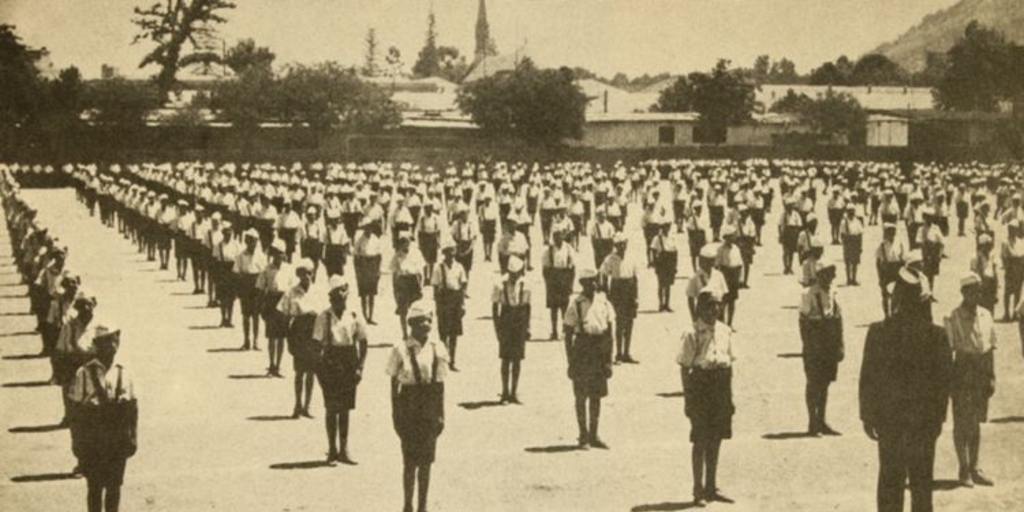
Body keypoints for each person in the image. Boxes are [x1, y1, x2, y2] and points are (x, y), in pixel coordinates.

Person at [860, 268, 953, 512]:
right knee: (922, 487)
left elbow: (868, 378)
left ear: (897, 299)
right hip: (923, 425)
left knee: (890, 485)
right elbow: (944, 385)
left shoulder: (878, 332)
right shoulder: (938, 336)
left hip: (890, 424)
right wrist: (937, 421)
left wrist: (868, 415)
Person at [387, 300, 449, 512]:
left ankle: (423, 505)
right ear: (412, 324)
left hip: (429, 406)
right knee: (409, 461)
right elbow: (393, 383)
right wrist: (395, 414)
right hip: (409, 405)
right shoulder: (401, 348)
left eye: (429, 320)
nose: (427, 325)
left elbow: (440, 384)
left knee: (426, 461)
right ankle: (408, 505)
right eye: (422, 321)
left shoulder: (437, 348)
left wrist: (441, 414)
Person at [68, 324, 137, 512]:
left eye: (116, 339)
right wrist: (77, 442)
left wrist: (133, 438)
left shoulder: (124, 371)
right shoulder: (83, 373)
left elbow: (132, 408)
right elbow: (75, 412)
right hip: (94, 438)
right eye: (108, 341)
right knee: (95, 487)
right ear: (97, 345)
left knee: (115, 487)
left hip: (117, 437)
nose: (114, 345)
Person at [678, 287, 736, 506]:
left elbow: (729, 365)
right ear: (700, 308)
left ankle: (712, 486)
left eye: (718, 305)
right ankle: (698, 490)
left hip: (720, 385)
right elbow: (685, 368)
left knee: (717, 438)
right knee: (700, 440)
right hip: (701, 385)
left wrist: (729, 397)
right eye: (710, 306)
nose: (715, 310)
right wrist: (688, 399)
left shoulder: (724, 330)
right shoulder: (692, 333)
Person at [943, 273, 997, 488]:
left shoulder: (985, 314)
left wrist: (992, 376)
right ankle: (963, 468)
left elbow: (991, 347)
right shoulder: (953, 316)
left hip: (981, 370)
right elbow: (949, 351)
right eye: (973, 290)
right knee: (961, 422)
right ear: (964, 292)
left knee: (976, 421)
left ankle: (975, 466)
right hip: (963, 370)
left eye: (979, 289)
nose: (978, 293)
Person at [313, 276, 369, 465]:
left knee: (345, 409)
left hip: (348, 361)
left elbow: (363, 341)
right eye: (337, 297)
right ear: (330, 298)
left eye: (344, 296)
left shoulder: (354, 315)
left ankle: (344, 449)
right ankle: (332, 450)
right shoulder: (324, 317)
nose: (341, 300)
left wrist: (360, 367)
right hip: (330, 361)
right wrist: (319, 369)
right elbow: (316, 344)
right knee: (331, 408)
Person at [564, 268, 616, 449]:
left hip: (599, 349)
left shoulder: (603, 302)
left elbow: (610, 332)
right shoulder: (575, 304)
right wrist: (570, 361)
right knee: (581, 395)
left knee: (596, 395)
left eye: (595, 280)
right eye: (589, 282)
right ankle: (583, 435)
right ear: (582, 284)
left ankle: (594, 434)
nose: (593, 284)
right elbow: (568, 333)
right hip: (582, 350)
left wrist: (609, 360)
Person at [799, 263, 844, 436]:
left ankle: (822, 420)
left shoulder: (833, 291)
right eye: (827, 274)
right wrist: (809, 346)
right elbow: (803, 321)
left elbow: (838, 318)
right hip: (815, 341)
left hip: (829, 340)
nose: (830, 278)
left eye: (832, 274)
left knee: (825, 383)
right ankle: (812, 422)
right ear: (819, 275)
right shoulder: (808, 294)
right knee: (813, 383)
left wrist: (840, 344)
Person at [278, 259, 318, 418]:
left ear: (313, 273)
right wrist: (288, 337)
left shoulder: (318, 291)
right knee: (299, 372)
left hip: (314, 332)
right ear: (298, 275)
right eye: (303, 274)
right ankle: (297, 404)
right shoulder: (291, 292)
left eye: (309, 273)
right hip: (299, 333)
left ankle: (308, 405)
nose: (306, 277)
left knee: (311, 372)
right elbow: (284, 315)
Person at [492, 256, 531, 404]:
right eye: (512, 274)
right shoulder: (500, 284)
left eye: (517, 273)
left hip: (519, 319)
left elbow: (527, 307)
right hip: (506, 318)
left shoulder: (526, 284)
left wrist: (527, 327)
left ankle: (514, 392)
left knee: (517, 359)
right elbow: (495, 308)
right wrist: (497, 328)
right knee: (505, 358)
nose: (514, 277)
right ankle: (504, 392)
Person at [600, 233, 639, 364]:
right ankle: (618, 353)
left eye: (624, 244)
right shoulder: (610, 259)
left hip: (629, 288)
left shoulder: (631, 257)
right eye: (619, 245)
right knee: (619, 323)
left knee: (630, 322)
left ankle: (627, 352)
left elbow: (635, 278)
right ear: (615, 246)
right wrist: (605, 292)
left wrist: (636, 297)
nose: (622, 247)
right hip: (617, 289)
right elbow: (603, 275)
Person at [432, 237, 468, 372]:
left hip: (456, 299)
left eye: (453, 252)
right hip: (444, 299)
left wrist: (462, 303)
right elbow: (435, 287)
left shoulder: (459, 267)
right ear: (444, 253)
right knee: (443, 334)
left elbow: (463, 284)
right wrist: (437, 305)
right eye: (448, 252)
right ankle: (443, 359)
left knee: (454, 333)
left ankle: (452, 360)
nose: (451, 255)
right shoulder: (438, 268)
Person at [257, 239, 291, 376]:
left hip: (283, 301)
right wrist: (261, 306)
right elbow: (260, 288)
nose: (278, 256)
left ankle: (278, 365)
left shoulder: (289, 269)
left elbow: (291, 289)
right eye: (276, 253)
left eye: (280, 253)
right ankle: (271, 365)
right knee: (271, 336)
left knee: (281, 337)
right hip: (271, 301)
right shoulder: (266, 270)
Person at [234, 229, 267, 350]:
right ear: (246, 241)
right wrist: (238, 290)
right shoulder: (241, 256)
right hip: (245, 286)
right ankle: (246, 340)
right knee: (246, 316)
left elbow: (264, 274)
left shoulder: (261, 256)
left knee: (256, 315)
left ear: (257, 241)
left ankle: (256, 341)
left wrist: (263, 290)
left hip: (257, 286)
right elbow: (236, 273)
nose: (251, 244)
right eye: (249, 241)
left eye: (254, 241)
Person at [542, 228, 576, 340]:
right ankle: (554, 330)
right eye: (555, 236)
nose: (558, 238)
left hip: (565, 277)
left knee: (565, 307)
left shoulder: (568, 248)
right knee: (553, 308)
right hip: (553, 279)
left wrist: (570, 284)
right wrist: (548, 283)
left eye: (560, 235)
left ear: (563, 236)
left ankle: (565, 329)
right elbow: (545, 268)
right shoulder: (549, 250)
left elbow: (572, 267)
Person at [391, 232, 425, 340]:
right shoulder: (397, 256)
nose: (405, 244)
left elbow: (421, 271)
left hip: (413, 282)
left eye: (407, 241)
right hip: (402, 282)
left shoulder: (416, 253)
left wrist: (421, 285)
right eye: (402, 242)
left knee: (415, 308)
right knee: (403, 310)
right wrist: (395, 289)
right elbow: (394, 273)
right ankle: (405, 333)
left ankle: (415, 332)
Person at [686, 244, 728, 323]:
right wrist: (694, 318)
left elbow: (724, 296)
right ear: (701, 261)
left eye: (712, 260)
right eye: (706, 260)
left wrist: (722, 314)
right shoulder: (695, 277)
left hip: (717, 312)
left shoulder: (719, 275)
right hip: (702, 313)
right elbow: (690, 299)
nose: (710, 263)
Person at [353, 220, 382, 325]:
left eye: (370, 227)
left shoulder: (375, 239)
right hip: (363, 265)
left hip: (373, 265)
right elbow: (356, 257)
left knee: (372, 294)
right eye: (366, 227)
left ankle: (371, 316)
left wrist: (378, 270)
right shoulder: (359, 240)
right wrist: (357, 271)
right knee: (364, 294)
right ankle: (364, 317)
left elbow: (379, 256)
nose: (368, 229)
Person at [875, 223, 904, 318]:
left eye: (893, 231)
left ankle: (894, 314)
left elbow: (903, 258)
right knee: (885, 295)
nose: (892, 234)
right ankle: (887, 315)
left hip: (897, 270)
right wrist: (880, 277)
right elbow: (878, 263)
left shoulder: (899, 243)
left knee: (897, 294)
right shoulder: (881, 246)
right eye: (889, 232)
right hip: (886, 271)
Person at [651, 221, 679, 312]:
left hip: (670, 262)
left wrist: (675, 265)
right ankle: (660, 304)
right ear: (662, 228)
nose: (667, 228)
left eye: (668, 226)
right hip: (662, 262)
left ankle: (667, 304)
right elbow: (653, 250)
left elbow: (675, 250)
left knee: (668, 285)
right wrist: (654, 262)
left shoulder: (672, 237)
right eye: (666, 227)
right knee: (661, 284)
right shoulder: (657, 238)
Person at [1000, 221, 1024, 321]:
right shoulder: (1005, 242)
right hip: (1010, 269)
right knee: (1007, 292)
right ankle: (1006, 313)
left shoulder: (1020, 241)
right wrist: (1007, 267)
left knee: (1017, 292)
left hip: (1019, 269)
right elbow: (1004, 256)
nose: (1012, 231)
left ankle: (1015, 313)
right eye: (1010, 229)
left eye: (1014, 229)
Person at [970, 235, 999, 313]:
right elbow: (973, 272)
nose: (990, 247)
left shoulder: (992, 256)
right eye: (988, 245)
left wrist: (996, 287)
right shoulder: (975, 257)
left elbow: (995, 271)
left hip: (990, 285)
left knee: (991, 308)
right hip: (981, 285)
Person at [840, 205, 864, 286]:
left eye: (853, 211)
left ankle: (854, 279)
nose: (851, 212)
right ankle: (848, 279)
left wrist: (860, 246)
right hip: (848, 241)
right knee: (847, 262)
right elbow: (842, 234)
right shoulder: (844, 222)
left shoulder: (857, 221)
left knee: (855, 262)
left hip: (855, 242)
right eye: (850, 211)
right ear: (847, 212)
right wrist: (845, 244)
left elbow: (860, 234)